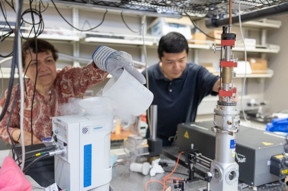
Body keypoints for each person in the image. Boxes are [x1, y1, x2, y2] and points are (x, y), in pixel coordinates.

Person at [0, 38, 145, 146]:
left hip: (72, 151)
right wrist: (19, 134)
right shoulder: (15, 94)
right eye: (35, 63)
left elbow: (88, 74)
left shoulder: (68, 79)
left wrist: (105, 63)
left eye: (49, 60)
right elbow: (2, 127)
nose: (44, 67)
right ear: (24, 70)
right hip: (33, 157)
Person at [142, 32, 220, 146]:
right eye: (170, 62)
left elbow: (214, 82)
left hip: (186, 140)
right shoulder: (147, 77)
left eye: (181, 60)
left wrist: (225, 85)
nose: (177, 67)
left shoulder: (196, 73)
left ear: (187, 56)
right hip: (155, 141)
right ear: (160, 58)